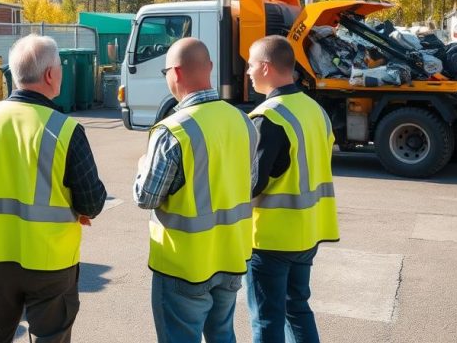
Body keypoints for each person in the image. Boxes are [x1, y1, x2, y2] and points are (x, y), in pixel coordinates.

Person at [0, 34, 107, 343]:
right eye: (59, 67)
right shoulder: (64, 129)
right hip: (51, 261)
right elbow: (93, 202)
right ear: (50, 75)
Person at [134, 37, 258, 343]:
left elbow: (146, 196)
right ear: (210, 68)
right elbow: (250, 183)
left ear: (175, 73)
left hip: (183, 264)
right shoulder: (243, 122)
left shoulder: (173, 130)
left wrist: (142, 164)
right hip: (231, 257)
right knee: (222, 335)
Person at [245, 35, 339, 343]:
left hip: (272, 238)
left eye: (250, 64)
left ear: (266, 67)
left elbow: (253, 183)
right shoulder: (314, 110)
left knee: (266, 320)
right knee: (297, 309)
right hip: (308, 232)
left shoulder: (269, 116)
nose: (247, 71)